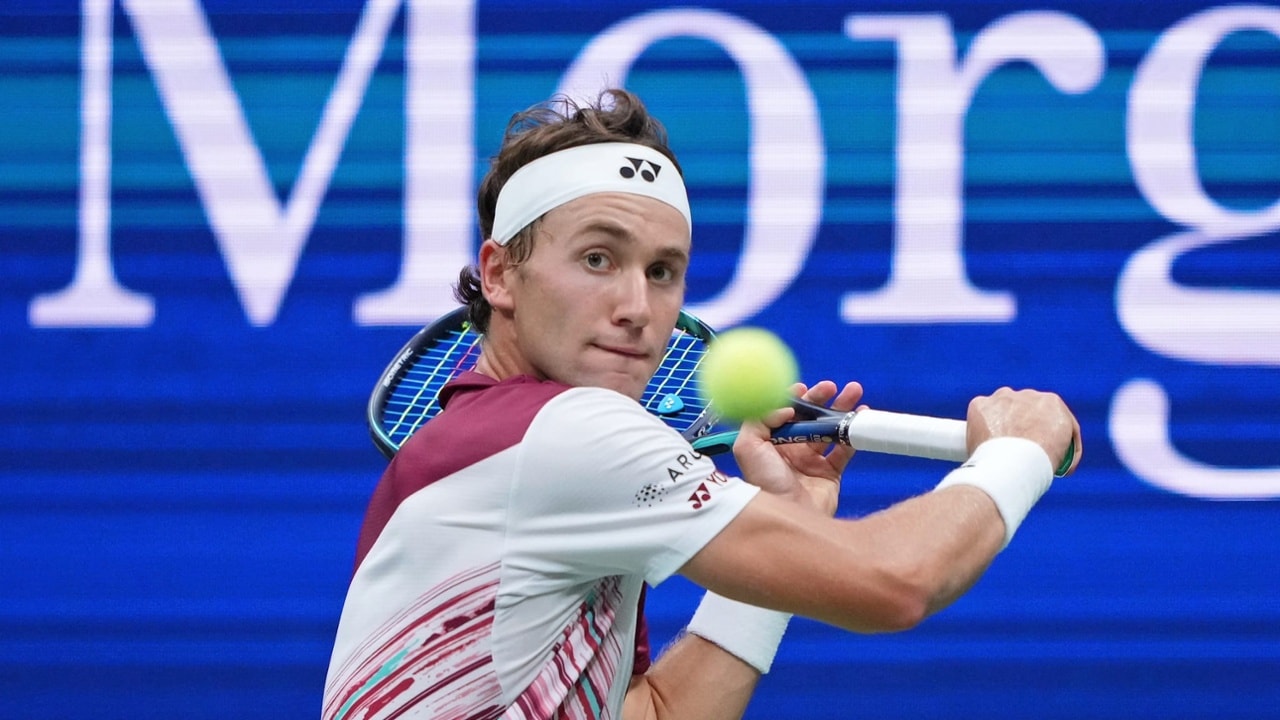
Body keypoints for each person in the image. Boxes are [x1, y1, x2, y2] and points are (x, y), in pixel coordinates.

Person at [321, 88, 1082, 720]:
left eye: (662, 271)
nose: (635, 306)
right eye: (597, 258)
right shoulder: (567, 433)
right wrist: (1016, 453)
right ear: (500, 274)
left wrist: (801, 519)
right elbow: (896, 582)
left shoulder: (506, 448)